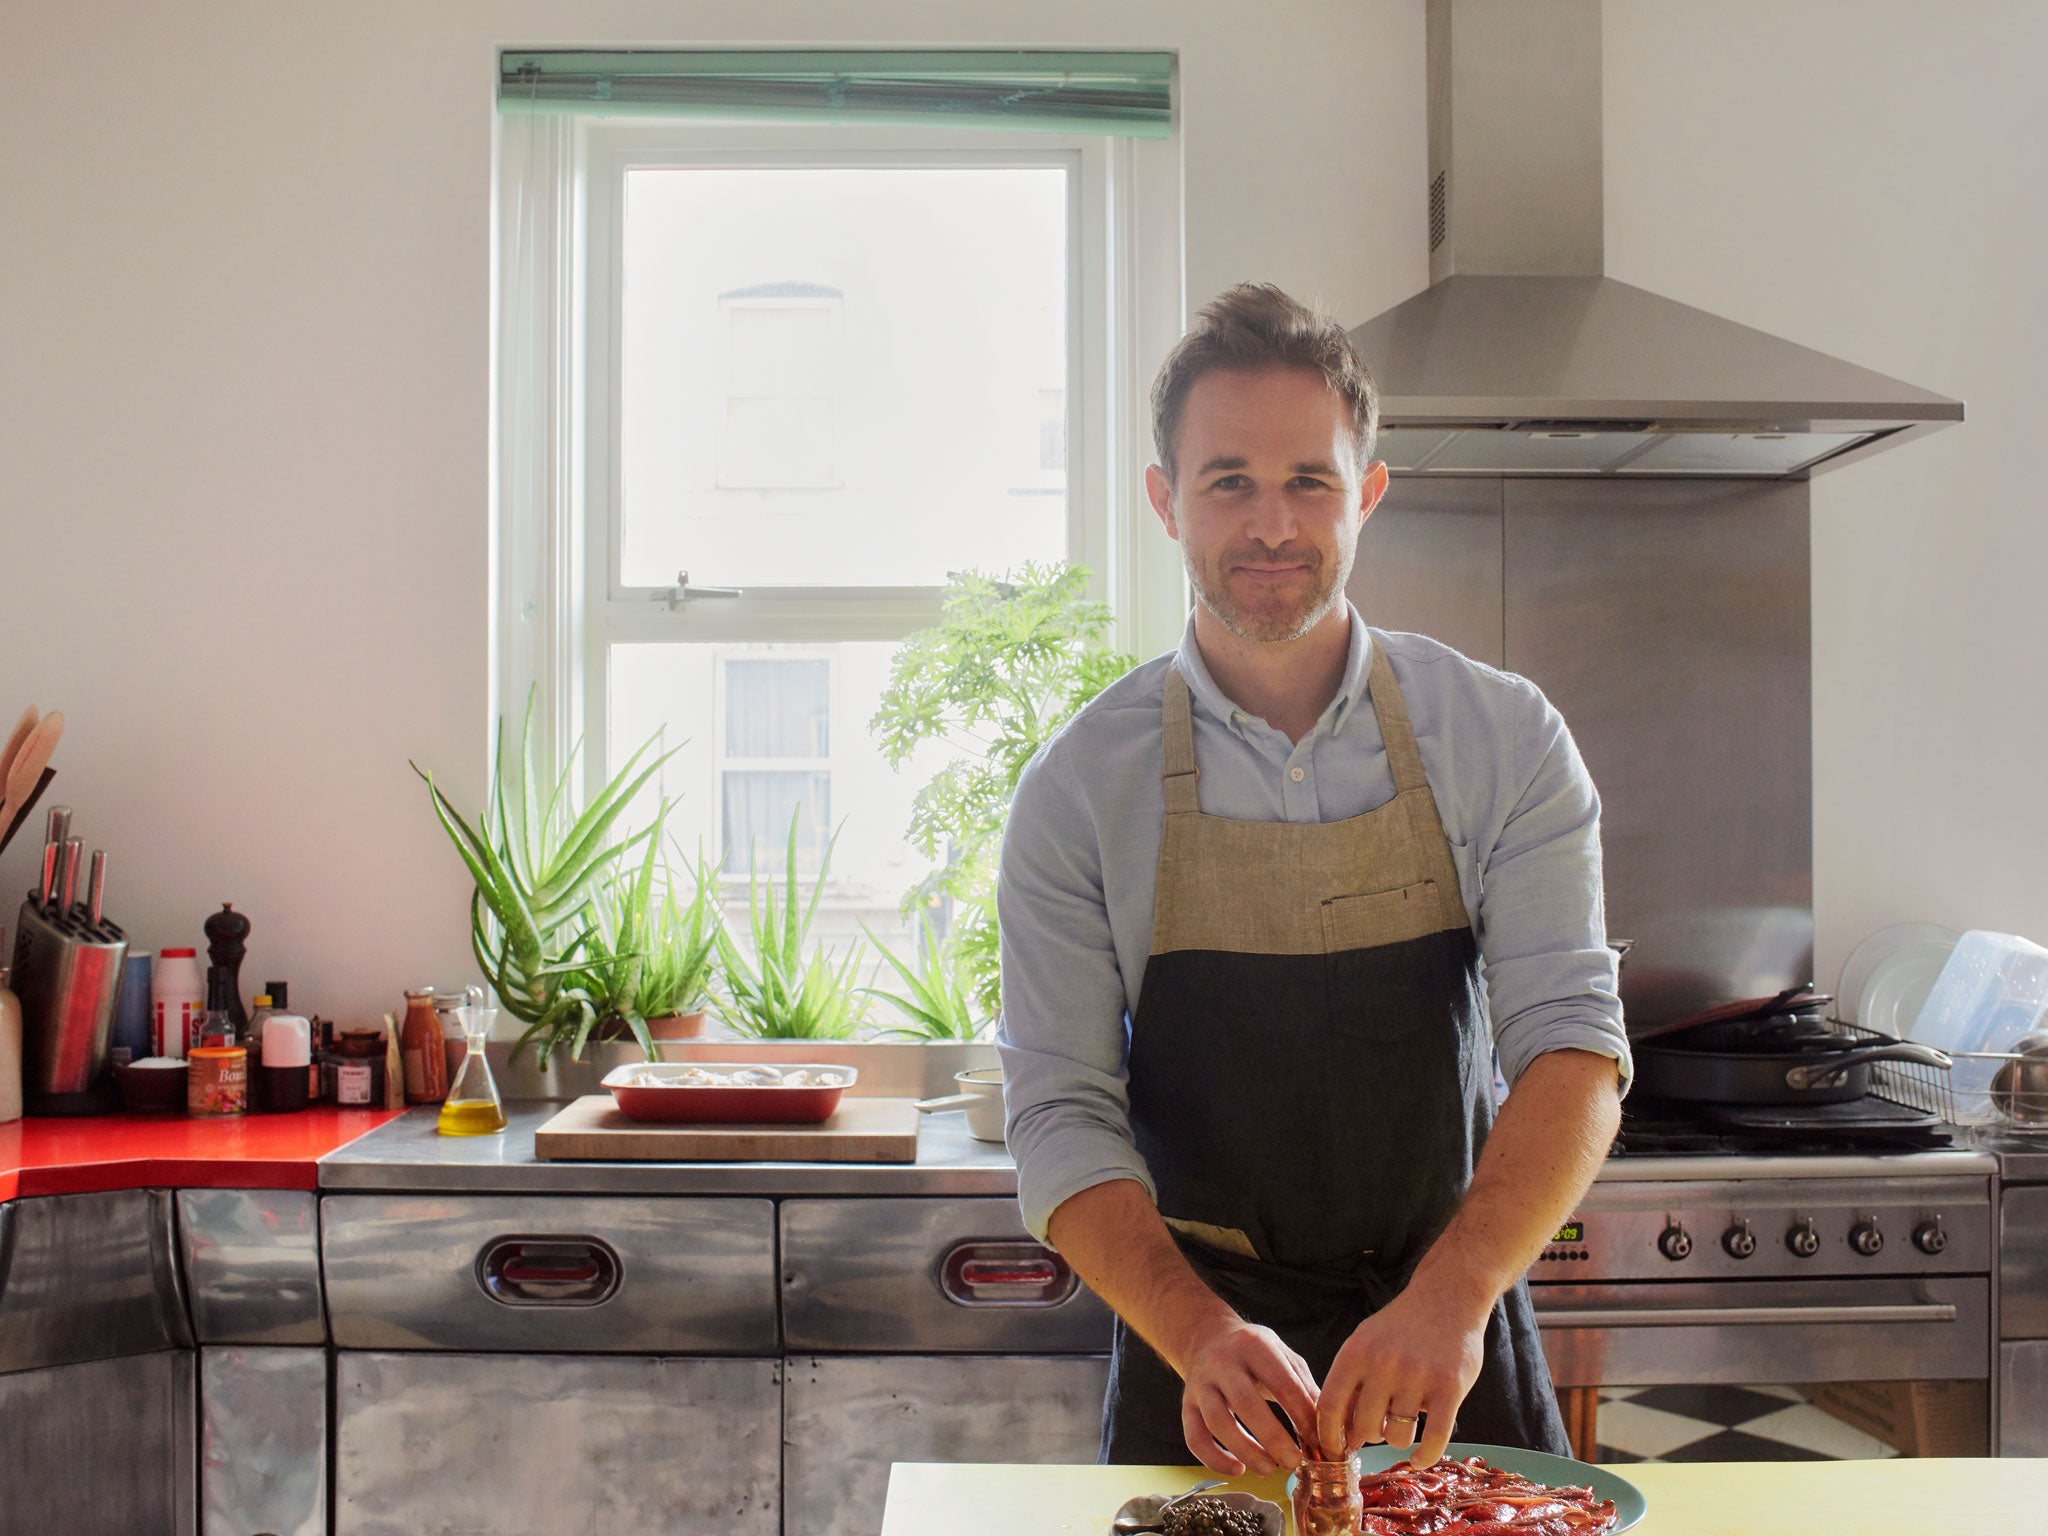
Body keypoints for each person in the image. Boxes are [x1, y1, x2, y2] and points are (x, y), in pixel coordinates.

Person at [995, 283, 1631, 1478]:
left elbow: (1570, 1048)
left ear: (1368, 493)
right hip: (1205, 1370)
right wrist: (1194, 1333)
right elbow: (1058, 1111)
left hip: (1446, 1336)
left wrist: (1451, 1301)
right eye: (1226, 478)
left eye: (1308, 481)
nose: (1270, 525)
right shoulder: (1078, 788)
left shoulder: (1502, 737)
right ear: (1163, 500)